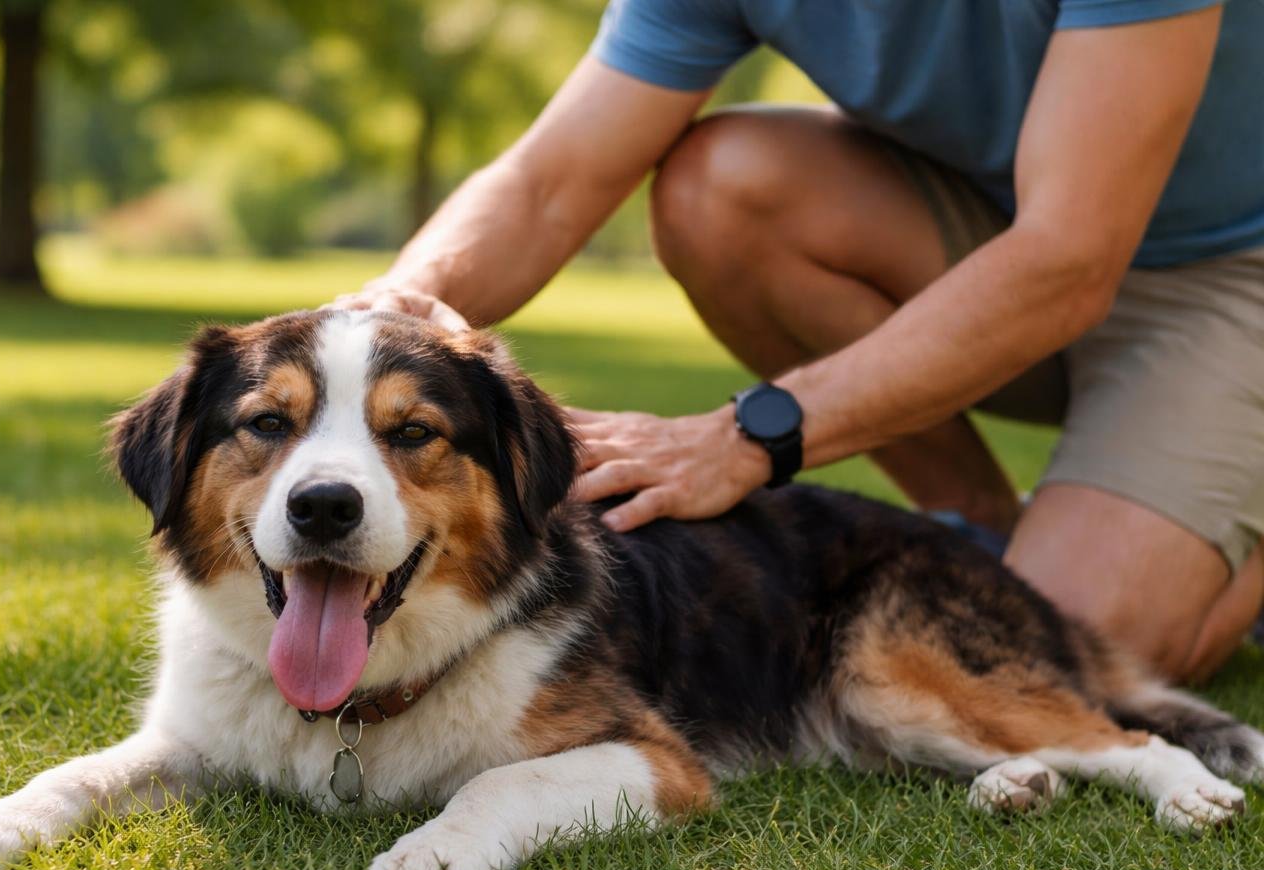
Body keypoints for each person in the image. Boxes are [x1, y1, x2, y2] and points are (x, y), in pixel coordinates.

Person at [334, 1, 1264, 684]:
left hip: (1226, 271)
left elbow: (1070, 257)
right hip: (992, 228)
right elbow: (549, 181)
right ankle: (978, 521)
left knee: (1084, 646)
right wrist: (393, 311)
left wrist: (745, 436)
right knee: (721, 189)